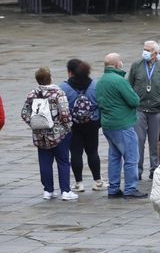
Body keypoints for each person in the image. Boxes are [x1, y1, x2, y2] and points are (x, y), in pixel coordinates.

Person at [21, 67, 75, 201]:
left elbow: (24, 113)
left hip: (40, 134)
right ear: (50, 77)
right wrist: (67, 127)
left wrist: (35, 124)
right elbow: (65, 114)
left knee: (44, 162)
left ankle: (48, 190)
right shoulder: (58, 93)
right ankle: (66, 191)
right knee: (63, 161)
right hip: (58, 134)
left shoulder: (32, 94)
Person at [97, 53, 143, 198]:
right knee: (131, 158)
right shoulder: (119, 81)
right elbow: (134, 101)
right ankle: (130, 188)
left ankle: (113, 188)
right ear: (117, 64)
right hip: (122, 123)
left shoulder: (101, 81)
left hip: (108, 124)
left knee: (114, 157)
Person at [61, 59, 104, 192]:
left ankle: (79, 183)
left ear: (70, 72)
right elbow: (101, 105)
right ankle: (97, 181)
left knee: (75, 153)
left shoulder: (63, 87)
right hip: (92, 123)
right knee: (92, 152)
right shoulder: (95, 85)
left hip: (73, 125)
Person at [127, 40, 160, 181]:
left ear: (155, 53)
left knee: (155, 143)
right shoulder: (136, 65)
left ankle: (155, 170)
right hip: (139, 109)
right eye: (144, 49)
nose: (145, 52)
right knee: (138, 141)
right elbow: (129, 85)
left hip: (156, 110)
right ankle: (137, 171)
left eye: (148, 50)